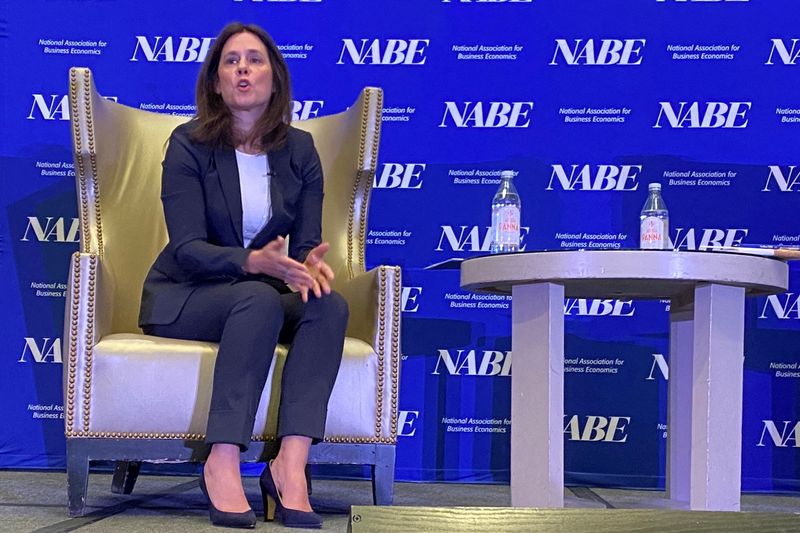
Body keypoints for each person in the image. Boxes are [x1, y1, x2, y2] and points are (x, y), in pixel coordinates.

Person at [138, 21, 347, 530]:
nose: (243, 69)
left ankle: (290, 464)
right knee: (256, 296)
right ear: (215, 82)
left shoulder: (299, 150)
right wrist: (251, 263)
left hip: (262, 296)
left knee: (328, 304)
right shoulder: (187, 144)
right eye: (231, 62)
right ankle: (223, 458)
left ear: (275, 77)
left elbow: (303, 245)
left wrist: (309, 266)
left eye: (254, 59)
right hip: (187, 294)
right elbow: (186, 249)